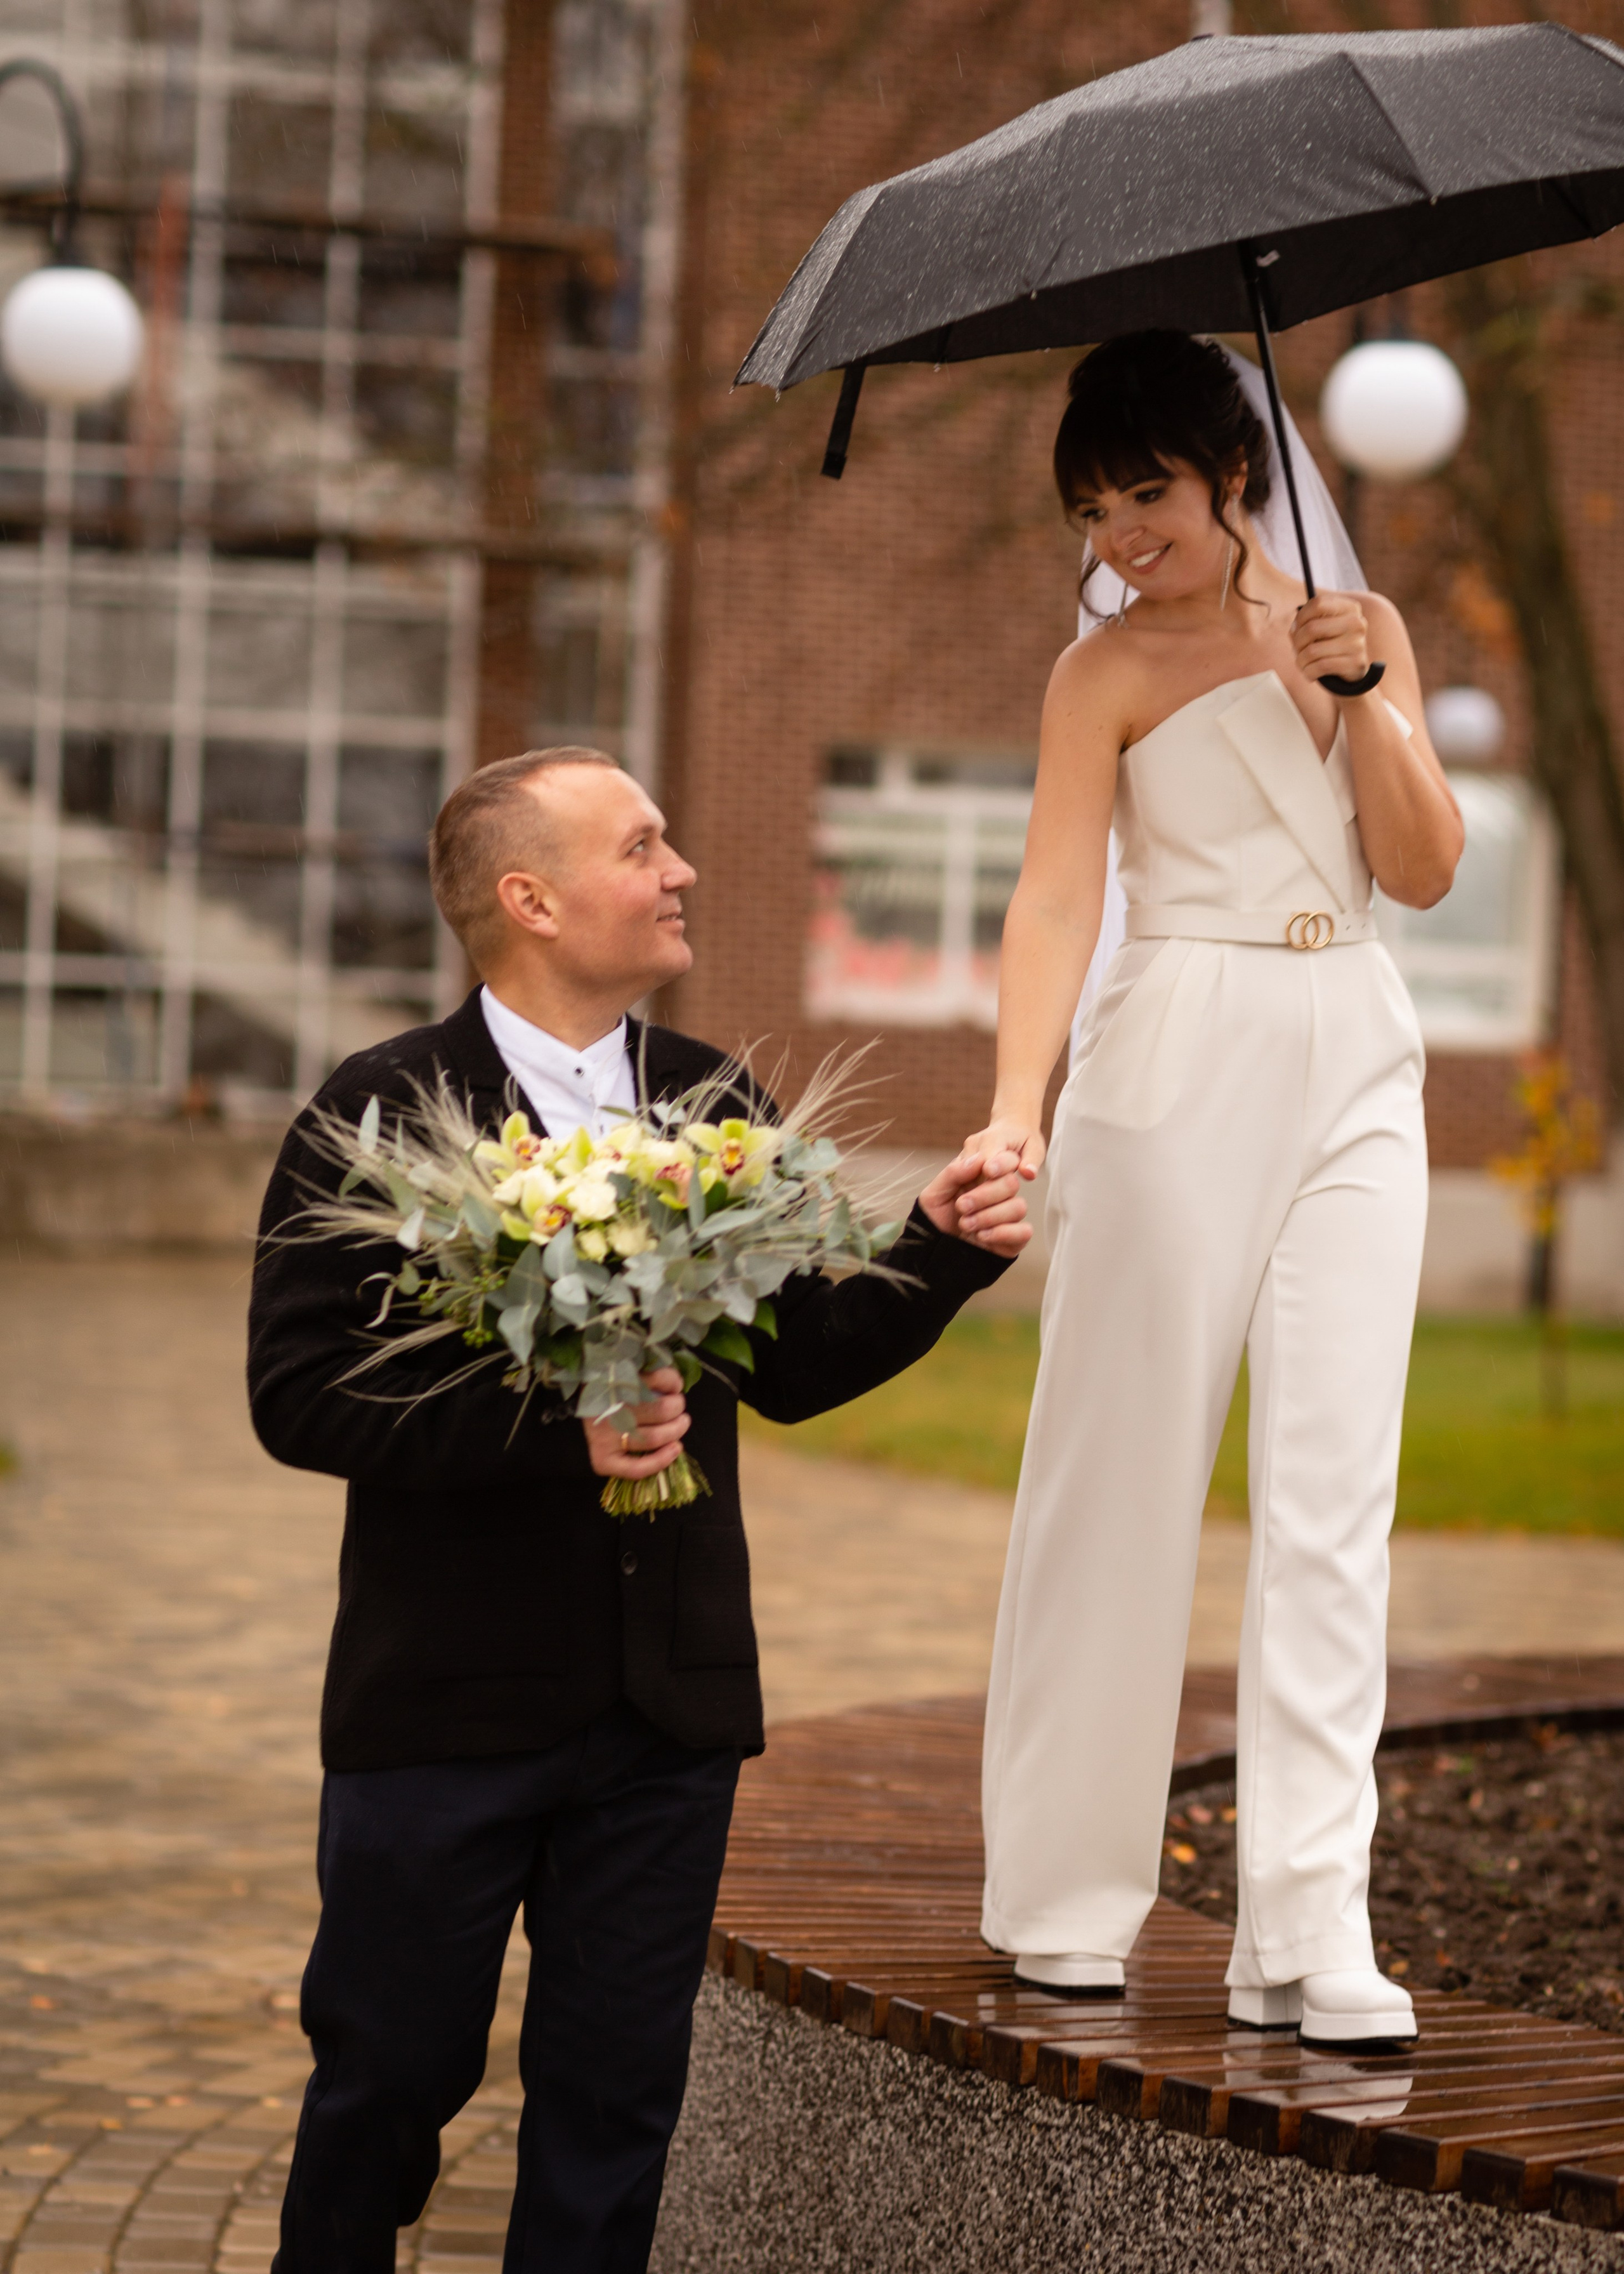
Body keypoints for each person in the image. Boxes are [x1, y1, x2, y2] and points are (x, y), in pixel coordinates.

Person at [248, 746, 1030, 2273]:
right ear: (529, 898)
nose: (679, 872)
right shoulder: (381, 1111)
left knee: (615, 2106)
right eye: (643, 846)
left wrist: (934, 1247)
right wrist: (558, 1432)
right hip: (443, 1712)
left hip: (664, 1710)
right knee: (388, 2086)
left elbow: (792, 1361)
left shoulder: (708, 1102)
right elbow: (298, 1396)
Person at [955, 331, 1464, 2048]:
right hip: (1175, 1044)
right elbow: (1050, 903)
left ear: (1234, 478)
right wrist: (1017, 1106)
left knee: (1338, 1496)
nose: (1122, 540)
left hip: (1355, 1053)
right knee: (1124, 1468)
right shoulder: (1092, 673)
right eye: (1095, 513)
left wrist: (1362, 698)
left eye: (1148, 498)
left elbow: (1425, 870)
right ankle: (1064, 1899)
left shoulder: (1359, 628)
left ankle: (1311, 1933)